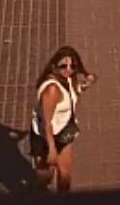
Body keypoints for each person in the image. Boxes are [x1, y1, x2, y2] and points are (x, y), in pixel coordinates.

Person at [29, 46, 93, 192]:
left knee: (65, 173)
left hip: (65, 129)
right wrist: (51, 149)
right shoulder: (52, 90)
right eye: (63, 66)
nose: (68, 70)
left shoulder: (69, 79)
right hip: (46, 136)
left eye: (73, 66)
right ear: (54, 66)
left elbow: (72, 94)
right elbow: (47, 123)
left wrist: (85, 84)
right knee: (46, 176)